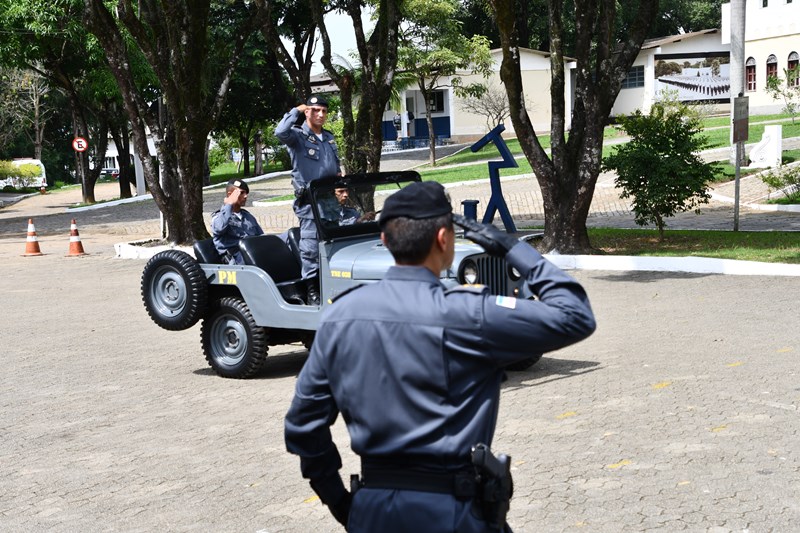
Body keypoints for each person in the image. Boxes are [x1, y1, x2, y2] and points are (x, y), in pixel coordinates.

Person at [284, 181, 597, 532]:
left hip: (372, 511)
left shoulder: (339, 318)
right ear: (445, 240)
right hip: (451, 513)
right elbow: (575, 315)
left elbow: (302, 426)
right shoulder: (468, 314)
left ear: (385, 241)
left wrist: (342, 503)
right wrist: (513, 248)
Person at [275, 95, 342, 305]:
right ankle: (312, 289)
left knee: (333, 242)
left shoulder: (329, 137)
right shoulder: (297, 137)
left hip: (330, 200)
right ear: (307, 112)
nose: (320, 114)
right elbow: (280, 132)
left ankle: (329, 283)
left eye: (323, 111)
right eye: (315, 110)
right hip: (309, 201)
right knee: (311, 247)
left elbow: (335, 165)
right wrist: (296, 109)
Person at [210, 179, 264, 264]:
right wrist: (229, 204)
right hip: (237, 258)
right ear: (230, 195)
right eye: (241, 193)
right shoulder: (219, 217)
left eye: (246, 193)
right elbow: (219, 228)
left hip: (254, 252)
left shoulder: (248, 216)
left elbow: (261, 236)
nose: (245, 196)